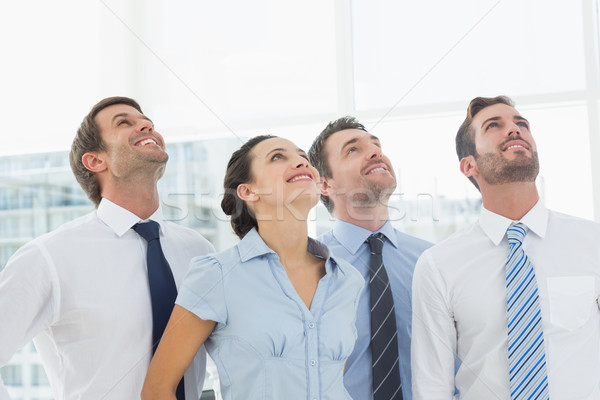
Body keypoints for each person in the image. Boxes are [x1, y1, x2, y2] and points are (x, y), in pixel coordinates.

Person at [0, 97, 214, 399]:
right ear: (95, 160)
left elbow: (229, 356)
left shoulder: (200, 251)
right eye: (124, 122)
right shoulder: (49, 257)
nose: (146, 125)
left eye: (147, 121)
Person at [141, 135, 364, 400]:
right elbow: (157, 390)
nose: (301, 163)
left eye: (304, 157)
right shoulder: (216, 275)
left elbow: (332, 382)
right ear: (248, 192)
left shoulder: (347, 279)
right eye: (278, 157)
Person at [411, 95, 600, 399]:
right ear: (468, 165)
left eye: (521, 123)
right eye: (493, 126)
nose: (514, 130)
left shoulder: (593, 242)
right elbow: (432, 384)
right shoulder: (438, 266)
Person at [308, 117, 432, 400]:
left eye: (376, 145)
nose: (376, 152)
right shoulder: (307, 265)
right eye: (353, 149)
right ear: (324, 184)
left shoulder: (432, 260)